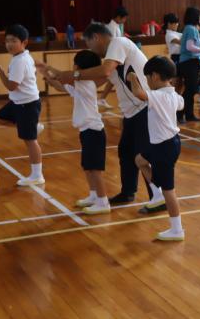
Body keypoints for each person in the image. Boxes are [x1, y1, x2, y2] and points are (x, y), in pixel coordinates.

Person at [47, 23, 166, 213]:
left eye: (89, 43)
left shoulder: (117, 43)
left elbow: (104, 72)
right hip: (132, 112)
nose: (91, 49)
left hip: (145, 107)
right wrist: (63, 77)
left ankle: (159, 196)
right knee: (126, 152)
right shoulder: (112, 59)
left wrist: (74, 74)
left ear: (96, 37)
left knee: (141, 155)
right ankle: (128, 192)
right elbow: (98, 80)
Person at [43, 50, 111, 214]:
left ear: (78, 67)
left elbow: (64, 77)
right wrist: (48, 77)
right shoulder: (79, 84)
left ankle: (103, 202)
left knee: (95, 169)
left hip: (93, 132)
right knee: (88, 167)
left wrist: (48, 69)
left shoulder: (85, 83)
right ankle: (94, 196)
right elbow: (61, 86)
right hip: (86, 131)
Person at [127, 56, 186, 241]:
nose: (146, 82)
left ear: (155, 76)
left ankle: (177, 229)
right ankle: (157, 193)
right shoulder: (173, 95)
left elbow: (139, 94)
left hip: (164, 147)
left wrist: (133, 78)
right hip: (167, 144)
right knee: (139, 160)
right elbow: (180, 103)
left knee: (170, 189)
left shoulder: (160, 95)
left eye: (146, 78)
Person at [0, 24, 46, 186]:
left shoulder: (20, 61)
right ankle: (34, 127)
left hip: (27, 104)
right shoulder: (20, 57)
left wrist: (2, 75)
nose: (9, 44)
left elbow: (12, 86)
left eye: (13, 41)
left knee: (29, 140)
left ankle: (37, 175)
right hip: (18, 102)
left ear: (24, 42)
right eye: (7, 41)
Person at [177, 7, 200, 123]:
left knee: (191, 89)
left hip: (190, 62)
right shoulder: (191, 29)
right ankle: (179, 113)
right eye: (199, 15)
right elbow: (189, 47)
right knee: (191, 89)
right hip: (189, 63)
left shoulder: (190, 28)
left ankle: (189, 115)